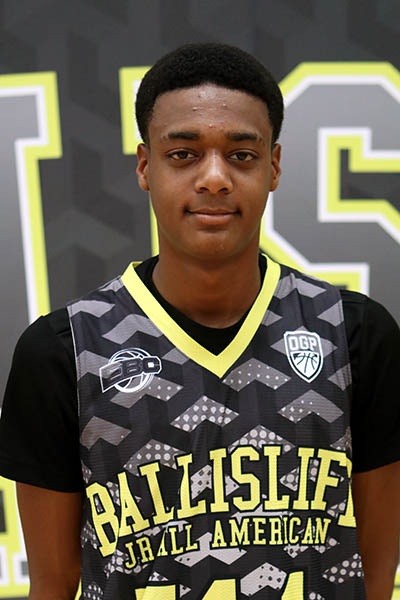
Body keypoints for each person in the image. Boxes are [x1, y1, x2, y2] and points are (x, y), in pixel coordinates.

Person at [0, 43, 399, 600]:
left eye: (241, 155)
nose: (214, 178)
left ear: (274, 166)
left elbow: (375, 580)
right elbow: (53, 585)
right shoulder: (65, 349)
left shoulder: (353, 335)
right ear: (146, 166)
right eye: (184, 154)